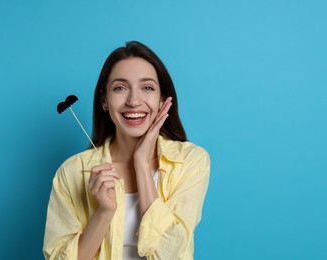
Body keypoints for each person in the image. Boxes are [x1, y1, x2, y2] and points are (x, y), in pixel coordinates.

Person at [43, 41, 210, 260]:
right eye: (120, 88)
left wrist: (140, 164)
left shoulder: (190, 161)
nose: (133, 101)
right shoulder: (72, 172)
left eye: (147, 87)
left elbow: (171, 255)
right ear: (104, 100)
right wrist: (103, 212)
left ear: (162, 99)